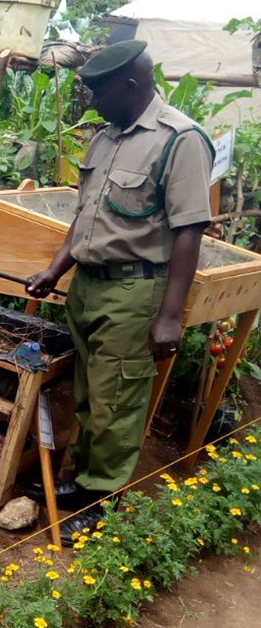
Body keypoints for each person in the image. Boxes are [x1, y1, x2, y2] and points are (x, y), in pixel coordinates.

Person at [25, 39, 213, 539]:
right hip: (88, 286)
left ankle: (102, 499)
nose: (90, 102)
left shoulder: (181, 139)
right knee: (90, 394)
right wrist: (55, 270)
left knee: (119, 403)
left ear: (130, 85)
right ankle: (84, 481)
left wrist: (170, 316)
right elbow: (85, 218)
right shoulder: (105, 138)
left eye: (97, 92)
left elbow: (189, 231)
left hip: (135, 292)